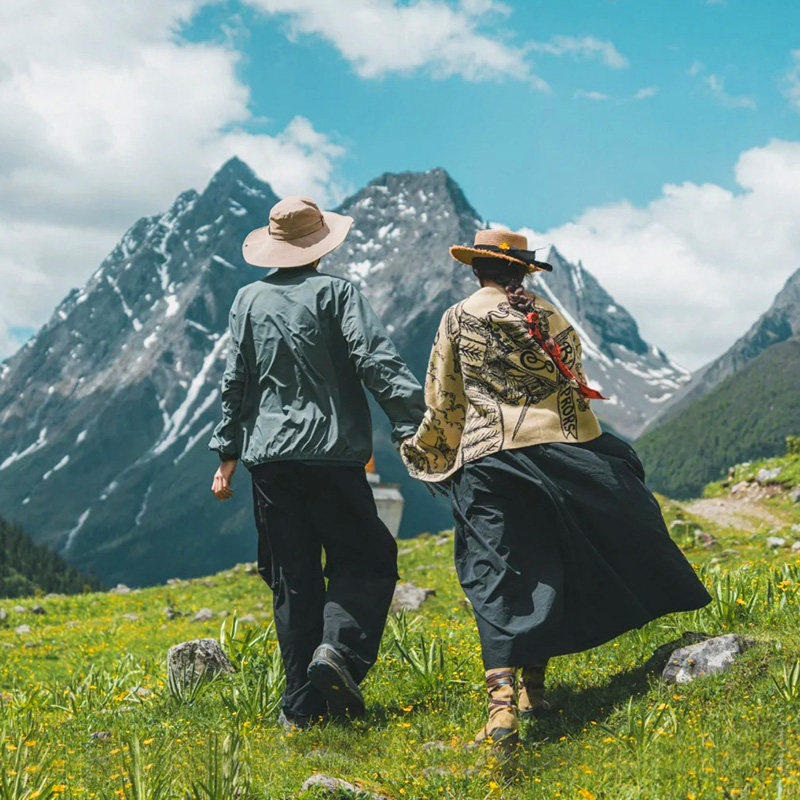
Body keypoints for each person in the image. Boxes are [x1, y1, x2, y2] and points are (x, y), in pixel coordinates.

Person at [400, 228, 711, 746]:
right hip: (559, 454)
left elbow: (444, 397)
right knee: (547, 560)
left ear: (476, 269)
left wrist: (427, 453)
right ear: (523, 271)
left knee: (497, 570)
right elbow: (573, 389)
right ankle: (536, 691)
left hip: (489, 460)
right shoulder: (551, 317)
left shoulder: (459, 318)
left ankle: (501, 705)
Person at [208, 195, 425, 731]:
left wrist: (227, 454)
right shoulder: (338, 294)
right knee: (368, 559)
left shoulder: (247, 301)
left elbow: (234, 380)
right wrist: (413, 426)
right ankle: (338, 653)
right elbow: (376, 359)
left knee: (291, 579)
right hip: (332, 459)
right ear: (320, 247)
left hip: (270, 464)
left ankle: (301, 710)